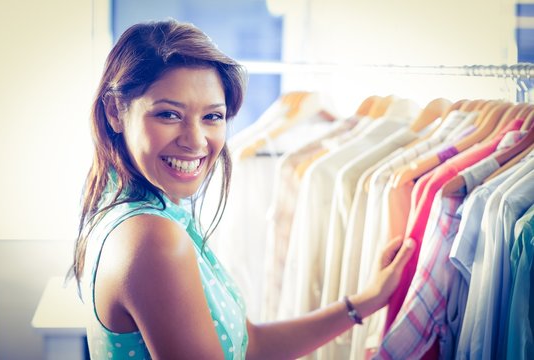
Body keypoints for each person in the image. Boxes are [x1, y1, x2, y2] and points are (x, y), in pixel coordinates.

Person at [68, 19, 415, 360]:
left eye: (212, 117)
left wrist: (366, 300)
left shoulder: (130, 209)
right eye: (169, 115)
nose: (195, 141)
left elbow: (251, 344)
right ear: (115, 112)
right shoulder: (153, 237)